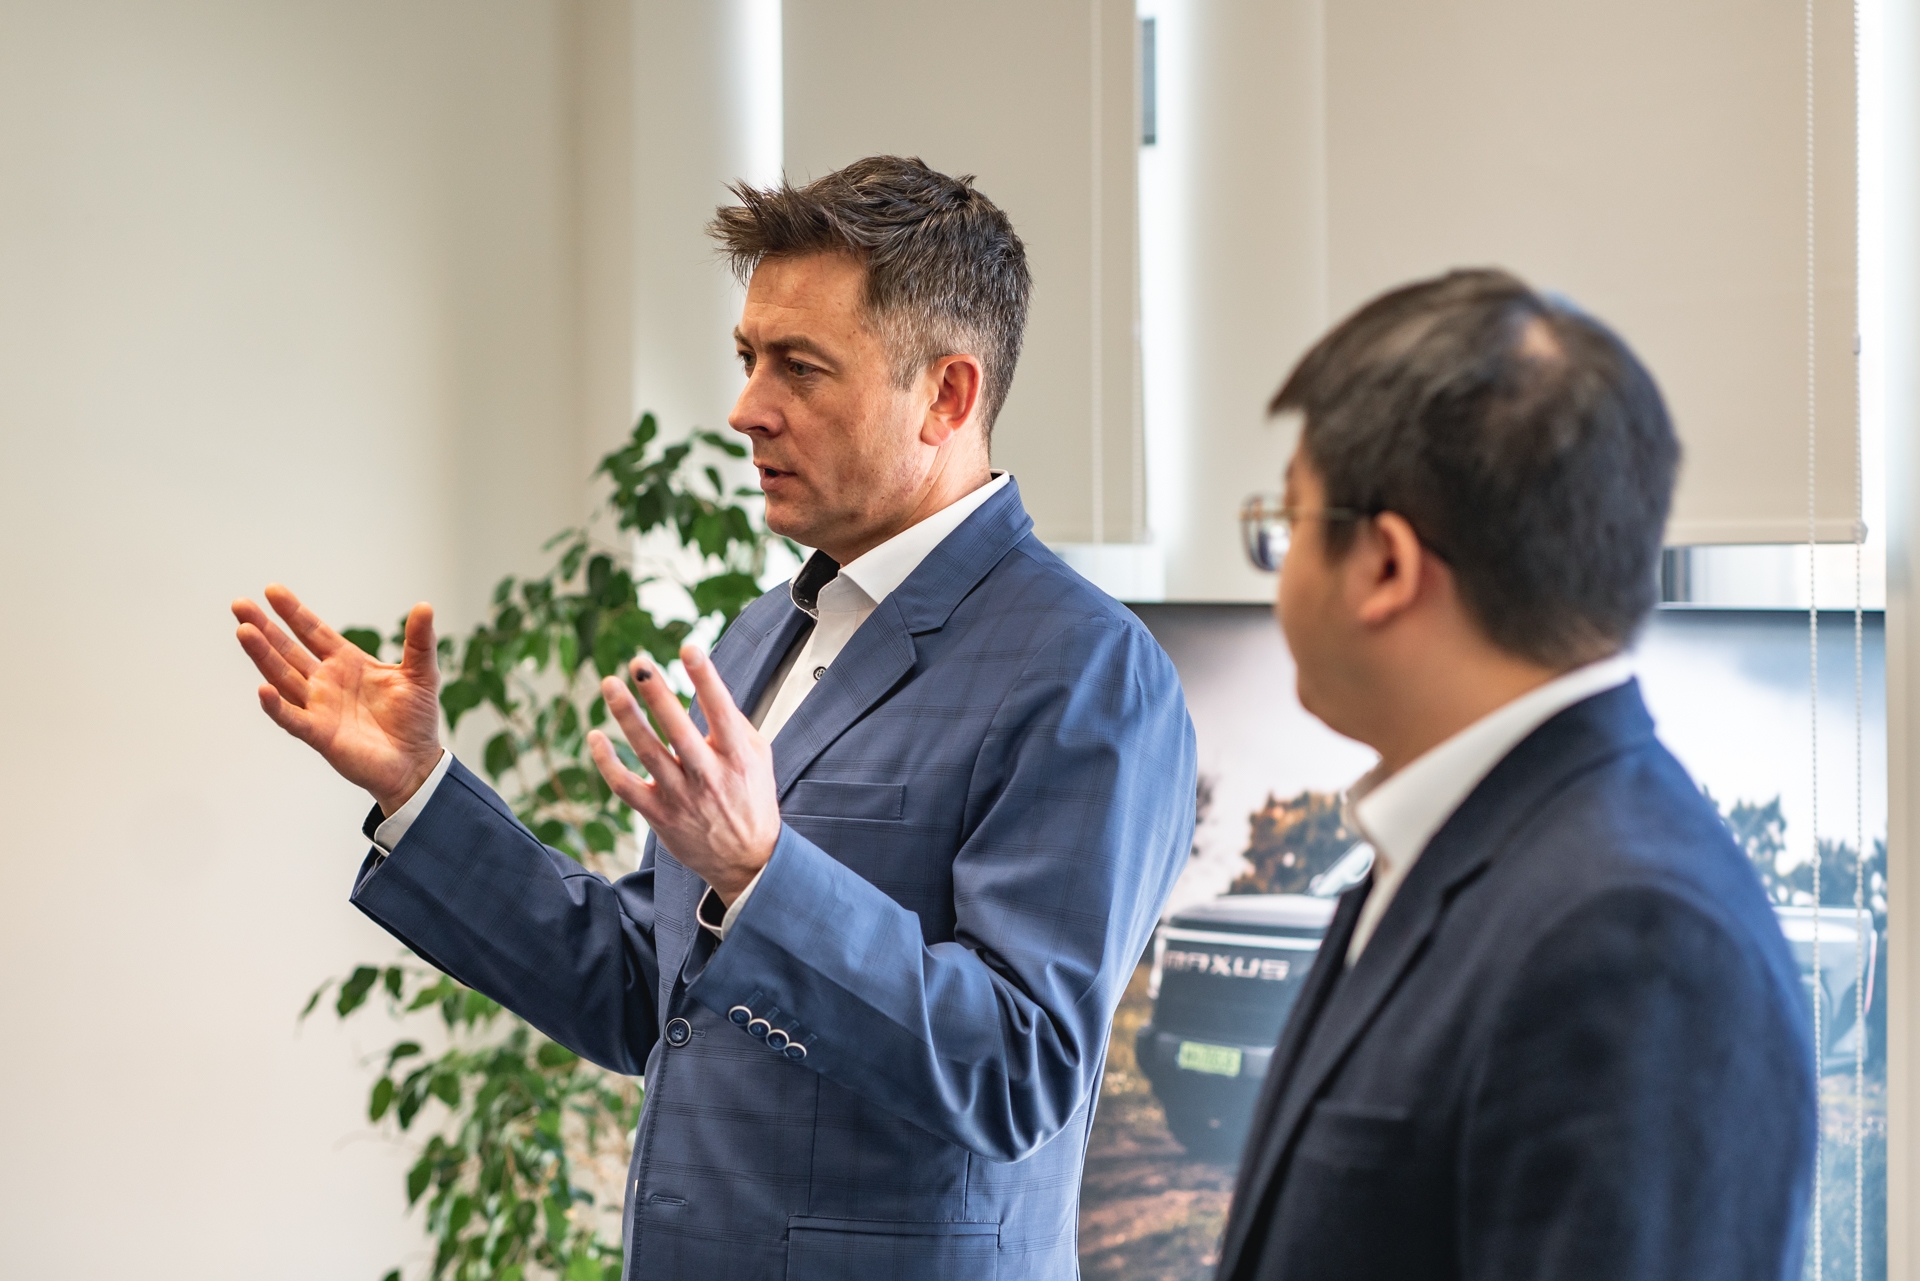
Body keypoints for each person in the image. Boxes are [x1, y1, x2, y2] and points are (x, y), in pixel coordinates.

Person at [233, 156, 1197, 1280]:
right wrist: (419, 791)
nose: (746, 410)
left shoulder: (1088, 671)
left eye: (800, 367)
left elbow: (1021, 1070)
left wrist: (762, 871)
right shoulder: (757, 635)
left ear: (947, 396)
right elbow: (646, 990)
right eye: (748, 359)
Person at [1216, 270, 1815, 1280]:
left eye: (1290, 521)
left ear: (1387, 566)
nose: (1279, 572)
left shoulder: (1635, 936)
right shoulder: (1464, 843)